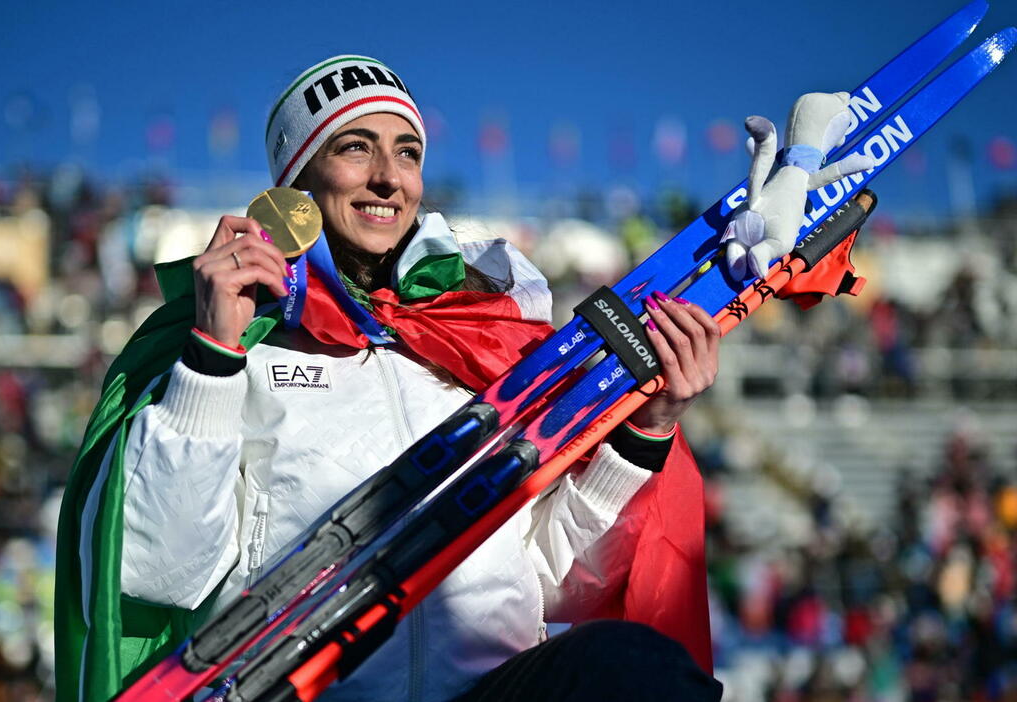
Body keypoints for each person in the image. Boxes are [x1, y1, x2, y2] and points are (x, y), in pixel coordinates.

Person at [55, 55, 724, 701]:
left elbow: (556, 580)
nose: (388, 178)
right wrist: (212, 360)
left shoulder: (475, 334)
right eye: (355, 148)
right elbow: (161, 573)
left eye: (407, 153)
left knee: (638, 667)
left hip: (489, 689)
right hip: (303, 688)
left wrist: (646, 430)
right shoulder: (238, 341)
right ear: (296, 183)